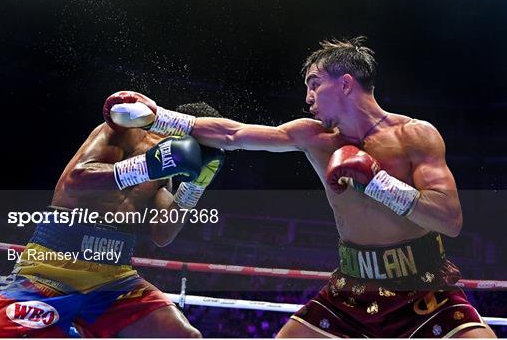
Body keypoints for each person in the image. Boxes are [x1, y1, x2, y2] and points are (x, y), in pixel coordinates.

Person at [102, 37, 496, 338]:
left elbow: (449, 219)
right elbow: (234, 132)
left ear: (345, 84)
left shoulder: (416, 136)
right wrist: (159, 116)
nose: (307, 97)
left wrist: (378, 183)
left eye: (314, 84)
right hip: (351, 288)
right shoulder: (314, 136)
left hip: (424, 288)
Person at [0, 102, 224, 338]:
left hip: (114, 276)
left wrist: (194, 188)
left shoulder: (167, 170)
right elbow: (78, 178)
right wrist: (148, 165)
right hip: (53, 266)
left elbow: (162, 235)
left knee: (183, 336)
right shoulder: (122, 130)